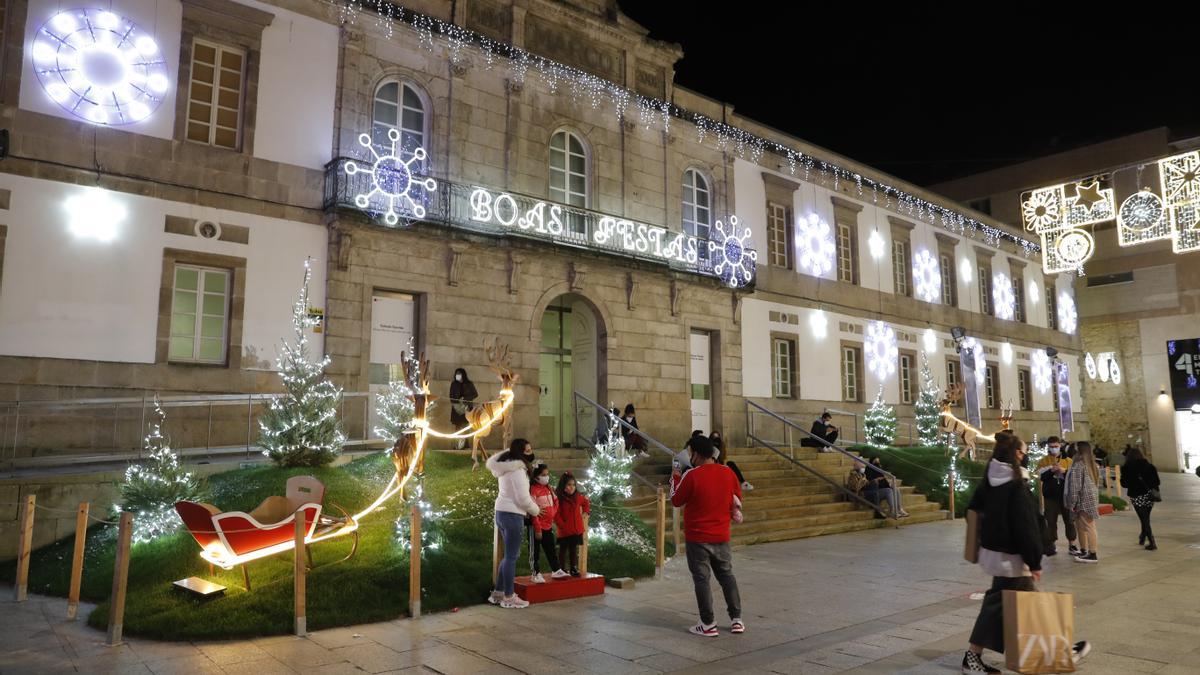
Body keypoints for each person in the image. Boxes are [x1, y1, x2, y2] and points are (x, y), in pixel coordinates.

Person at [962, 433, 1091, 674]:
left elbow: (972, 509)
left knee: (1001, 604)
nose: (1025, 456)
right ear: (1015, 455)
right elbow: (1026, 526)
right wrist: (1034, 561)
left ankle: (974, 656)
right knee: (1027, 605)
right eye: (1022, 452)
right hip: (1012, 558)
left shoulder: (990, 478)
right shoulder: (1016, 485)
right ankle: (1056, 652)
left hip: (996, 554)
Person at [670, 435, 744, 637]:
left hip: (697, 536)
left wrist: (675, 476)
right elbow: (737, 496)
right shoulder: (728, 473)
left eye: (690, 452)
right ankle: (736, 619)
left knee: (702, 579)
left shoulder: (692, 476)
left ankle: (708, 623)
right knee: (726, 575)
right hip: (721, 533)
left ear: (696, 453)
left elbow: (676, 500)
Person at [486, 439, 540, 608]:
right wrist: (536, 510)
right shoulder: (517, 470)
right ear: (520, 453)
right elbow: (522, 498)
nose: (531, 453)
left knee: (508, 556)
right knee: (511, 557)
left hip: (502, 512)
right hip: (512, 514)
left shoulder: (506, 466)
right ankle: (509, 597)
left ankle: (498, 593)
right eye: (527, 451)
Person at [1035, 436, 1079, 557]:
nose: (1054, 448)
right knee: (1051, 520)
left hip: (1065, 495)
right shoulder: (1044, 460)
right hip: (1050, 495)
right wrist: (1051, 471)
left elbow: (1073, 476)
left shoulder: (1068, 460)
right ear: (1048, 447)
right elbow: (1041, 476)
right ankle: (1052, 544)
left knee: (1069, 520)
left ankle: (1072, 544)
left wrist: (1064, 471)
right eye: (1051, 446)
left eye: (1056, 446)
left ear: (1060, 445)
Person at [528, 463, 569, 583]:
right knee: (534, 551)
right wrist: (537, 528)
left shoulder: (548, 488)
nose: (546, 477)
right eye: (543, 475)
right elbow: (533, 510)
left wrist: (553, 512)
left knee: (550, 548)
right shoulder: (533, 490)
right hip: (537, 526)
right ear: (536, 476)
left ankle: (556, 570)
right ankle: (535, 573)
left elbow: (556, 501)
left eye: (547, 474)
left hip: (548, 525)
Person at [1064, 441, 1101, 564]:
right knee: (1081, 527)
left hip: (1082, 500)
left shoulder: (1078, 465)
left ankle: (1092, 553)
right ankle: (1084, 550)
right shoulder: (1092, 464)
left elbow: (1075, 486)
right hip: (1090, 499)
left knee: (1089, 527)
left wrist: (1071, 503)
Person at [1120, 447, 1161, 551]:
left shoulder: (1126, 468)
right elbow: (1157, 482)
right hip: (1150, 496)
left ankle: (1152, 542)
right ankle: (1142, 536)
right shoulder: (1150, 466)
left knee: (1144, 519)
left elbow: (1124, 484)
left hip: (1136, 496)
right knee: (1145, 518)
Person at [554, 471, 590, 576]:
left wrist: (585, 511)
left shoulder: (577, 496)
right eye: (569, 485)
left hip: (576, 529)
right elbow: (556, 514)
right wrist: (562, 525)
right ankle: (561, 568)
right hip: (565, 530)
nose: (572, 487)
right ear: (563, 485)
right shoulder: (558, 498)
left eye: (574, 485)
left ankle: (573, 567)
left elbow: (586, 502)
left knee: (573, 549)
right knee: (563, 549)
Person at [449, 368, 478, 452]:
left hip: (467, 407)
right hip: (457, 408)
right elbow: (451, 396)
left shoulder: (469, 384)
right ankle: (457, 445)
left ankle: (466, 445)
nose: (457, 375)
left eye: (459, 373)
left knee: (466, 427)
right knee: (457, 426)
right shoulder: (454, 384)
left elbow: (475, 394)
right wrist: (456, 402)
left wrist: (465, 399)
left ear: (463, 374)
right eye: (456, 373)